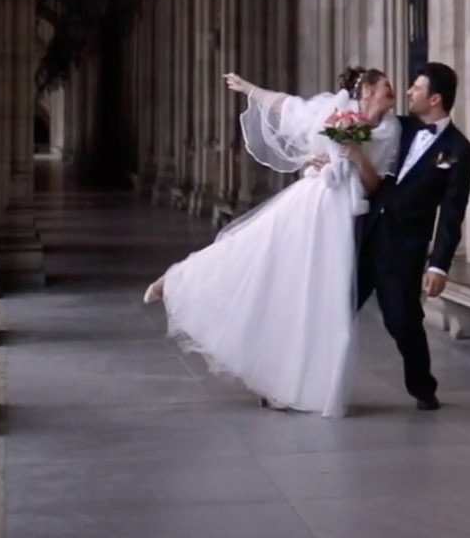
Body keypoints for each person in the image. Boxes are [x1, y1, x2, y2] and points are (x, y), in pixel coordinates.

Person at [144, 66, 402, 417]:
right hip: (310, 201)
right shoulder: (334, 110)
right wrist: (248, 88)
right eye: (386, 85)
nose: (393, 90)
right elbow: (286, 107)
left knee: (320, 301)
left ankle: (297, 386)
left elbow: (375, 184)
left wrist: (355, 154)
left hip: (342, 216)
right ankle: (176, 282)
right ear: (369, 90)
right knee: (251, 251)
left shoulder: (391, 129)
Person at [356, 62, 470, 411]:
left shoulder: (460, 150)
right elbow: (365, 129)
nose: (408, 92)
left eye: (416, 88)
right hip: (367, 235)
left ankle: (423, 386)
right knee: (336, 308)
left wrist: (439, 266)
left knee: (401, 319)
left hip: (404, 250)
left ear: (435, 99)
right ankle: (301, 380)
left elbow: (452, 214)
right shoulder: (401, 128)